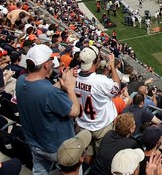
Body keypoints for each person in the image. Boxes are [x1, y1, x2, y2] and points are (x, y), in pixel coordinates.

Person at [16, 44, 80, 175]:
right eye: (50, 60)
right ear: (45, 65)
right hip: (56, 147)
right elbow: (75, 112)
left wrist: (62, 82)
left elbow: (44, 93)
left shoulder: (21, 80)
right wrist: (70, 88)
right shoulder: (49, 93)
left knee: (40, 171)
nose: (52, 62)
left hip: (35, 143)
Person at [75, 45, 121, 155]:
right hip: (101, 125)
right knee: (104, 155)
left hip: (82, 125)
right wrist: (113, 66)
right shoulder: (101, 81)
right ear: (96, 61)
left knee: (87, 156)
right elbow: (117, 88)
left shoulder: (72, 75)